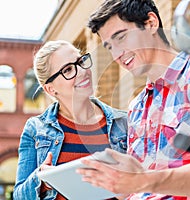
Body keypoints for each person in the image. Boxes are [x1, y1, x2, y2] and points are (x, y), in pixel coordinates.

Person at [77, 0, 190, 199]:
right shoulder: (137, 106)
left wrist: (145, 180)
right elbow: (139, 186)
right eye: (109, 47)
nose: (117, 55)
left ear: (151, 23)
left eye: (121, 38)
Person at [13, 40, 128, 200]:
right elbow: (19, 196)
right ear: (50, 89)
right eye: (68, 70)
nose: (82, 71)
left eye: (80, 62)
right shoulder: (36, 129)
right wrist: (42, 180)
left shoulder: (124, 122)